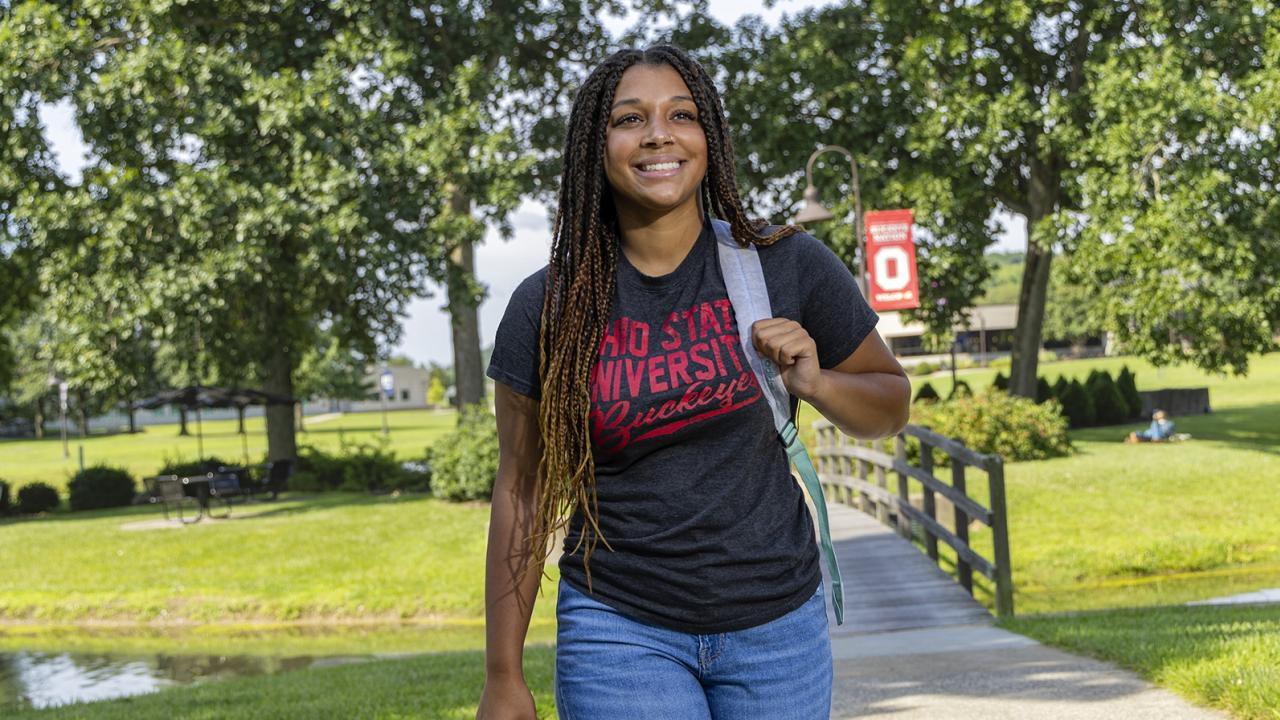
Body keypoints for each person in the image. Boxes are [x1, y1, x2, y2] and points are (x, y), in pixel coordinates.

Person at [476, 45, 911, 720]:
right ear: (596, 144)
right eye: (630, 118)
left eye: (682, 114)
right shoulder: (549, 307)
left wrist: (819, 383)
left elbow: (890, 405)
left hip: (777, 629)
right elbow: (522, 488)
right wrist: (504, 675)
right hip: (620, 629)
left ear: (708, 137)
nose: (658, 133)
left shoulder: (786, 265)